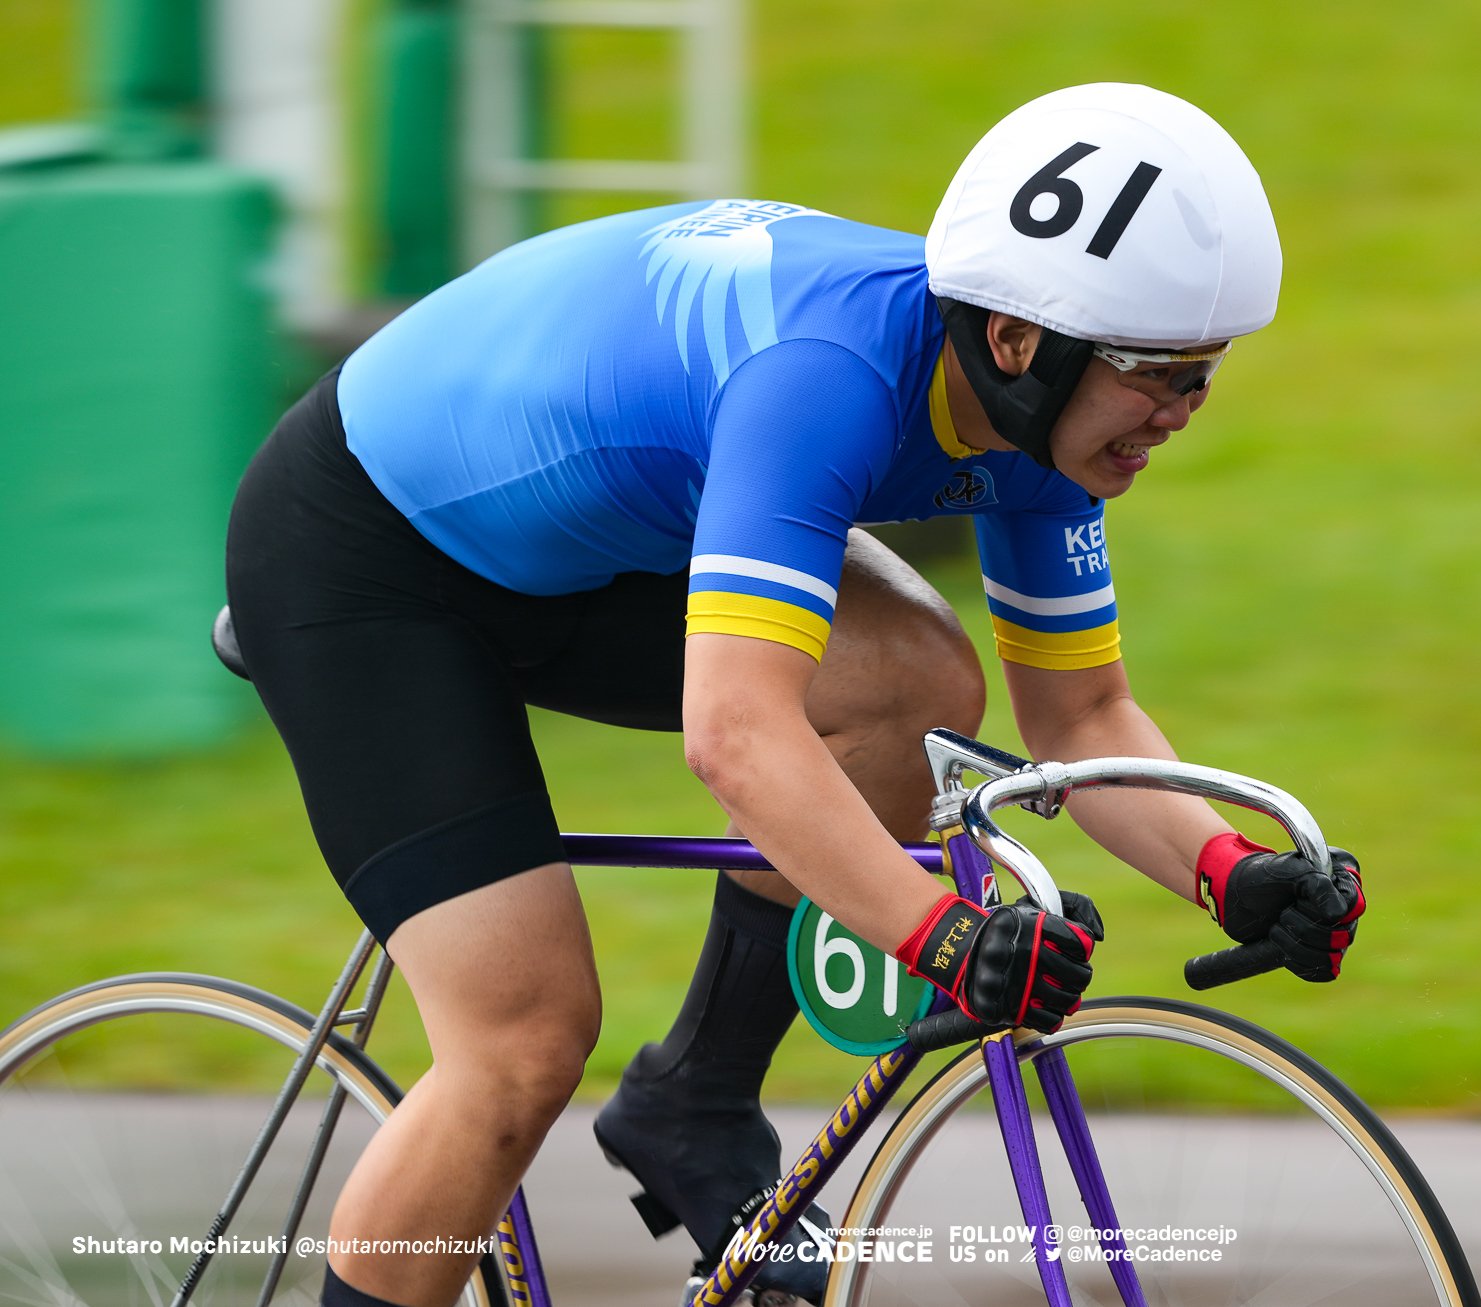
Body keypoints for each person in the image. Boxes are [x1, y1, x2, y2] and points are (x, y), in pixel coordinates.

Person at [225, 82, 1365, 1307]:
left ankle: (694, 1098)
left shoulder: (1047, 437)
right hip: (370, 558)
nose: (1180, 413)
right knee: (519, 1043)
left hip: (596, 544)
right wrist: (943, 936)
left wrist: (1230, 871)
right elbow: (737, 731)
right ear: (1021, 343)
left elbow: (1078, 719)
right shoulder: (826, 378)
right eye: (1157, 372)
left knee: (917, 683)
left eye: (1205, 375)